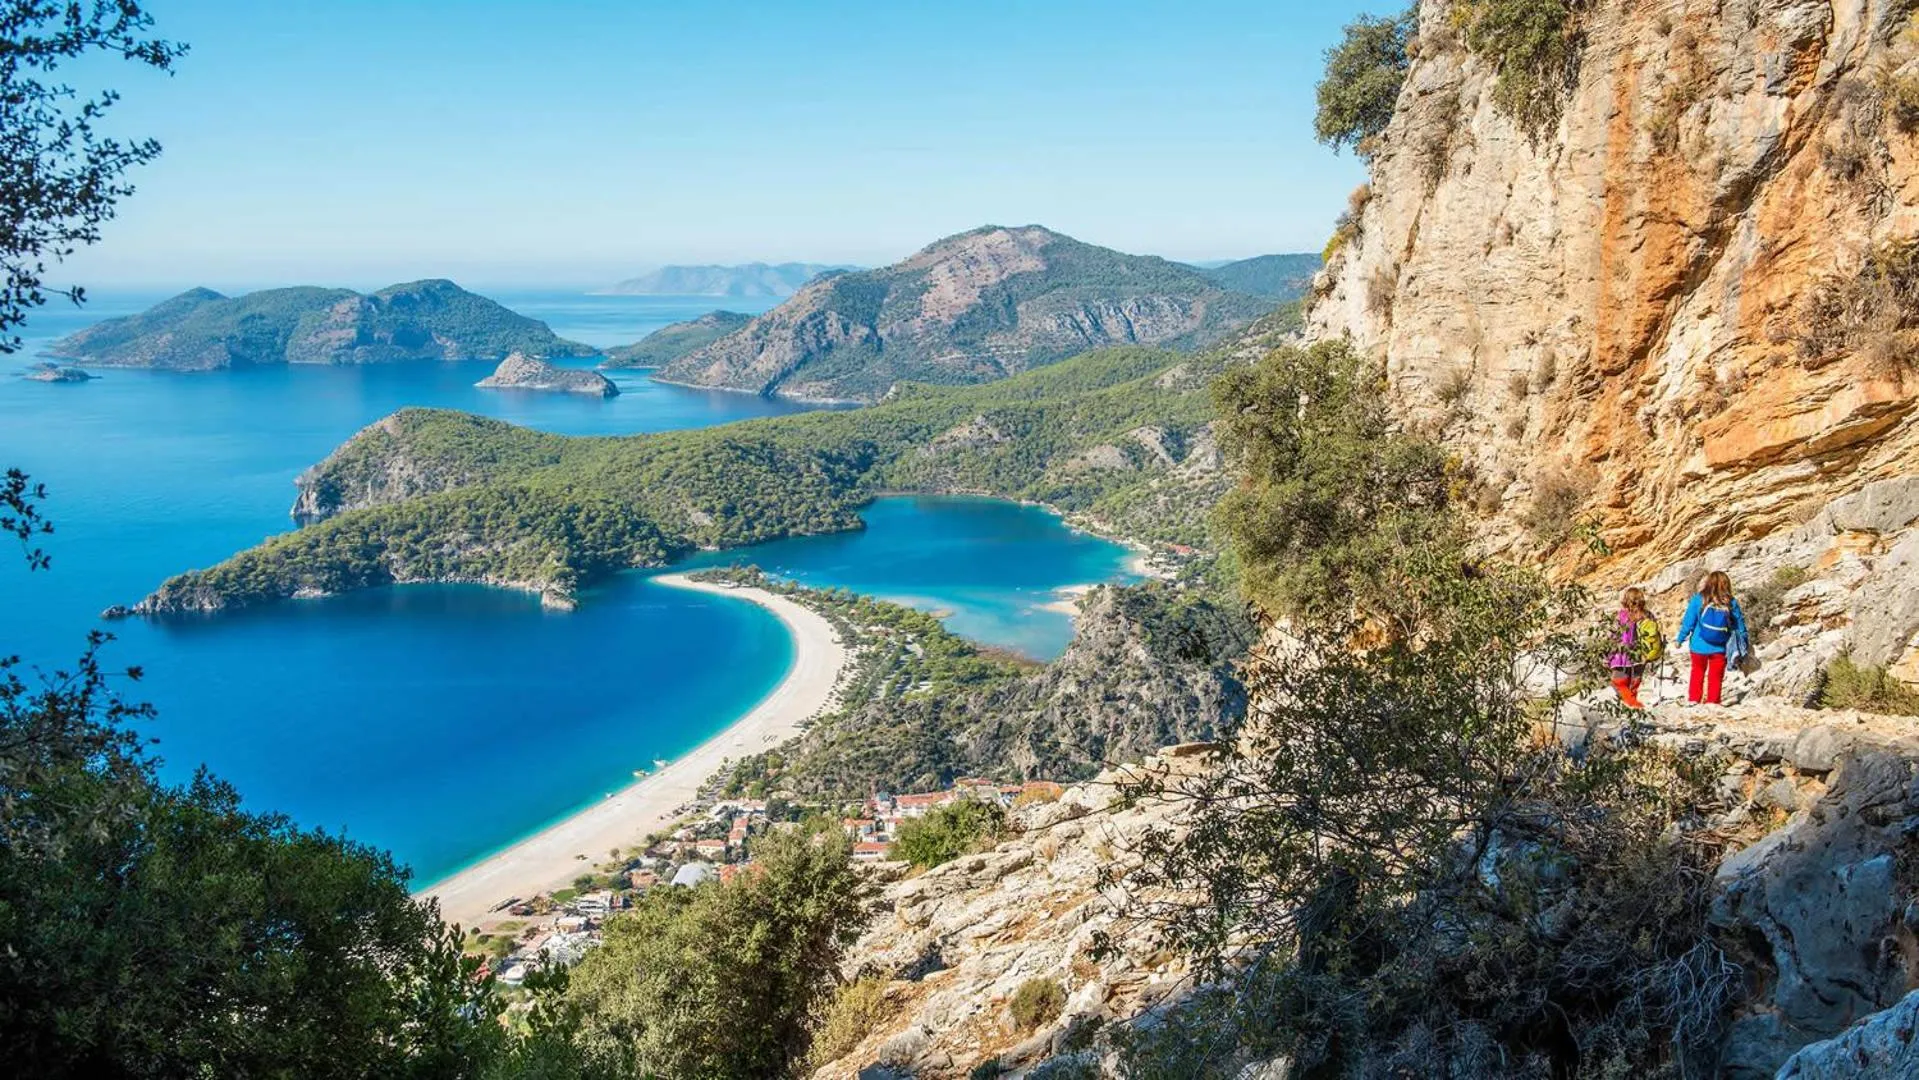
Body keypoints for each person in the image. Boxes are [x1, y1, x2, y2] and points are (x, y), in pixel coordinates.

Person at [1674, 570, 1747, 705]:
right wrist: (1744, 642)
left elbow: (1688, 622)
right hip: (1720, 646)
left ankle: (1694, 700)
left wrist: (1680, 639)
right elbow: (1739, 625)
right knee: (1716, 676)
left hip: (1698, 645)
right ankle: (1713, 702)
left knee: (1697, 672)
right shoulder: (1730, 602)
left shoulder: (1698, 599)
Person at [1608, 586, 1657, 709]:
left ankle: (1632, 704)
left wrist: (1608, 655)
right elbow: (1655, 633)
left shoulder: (1621, 615)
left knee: (1618, 682)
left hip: (1622, 655)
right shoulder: (1648, 615)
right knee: (1635, 681)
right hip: (1642, 654)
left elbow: (1613, 636)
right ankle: (1633, 705)